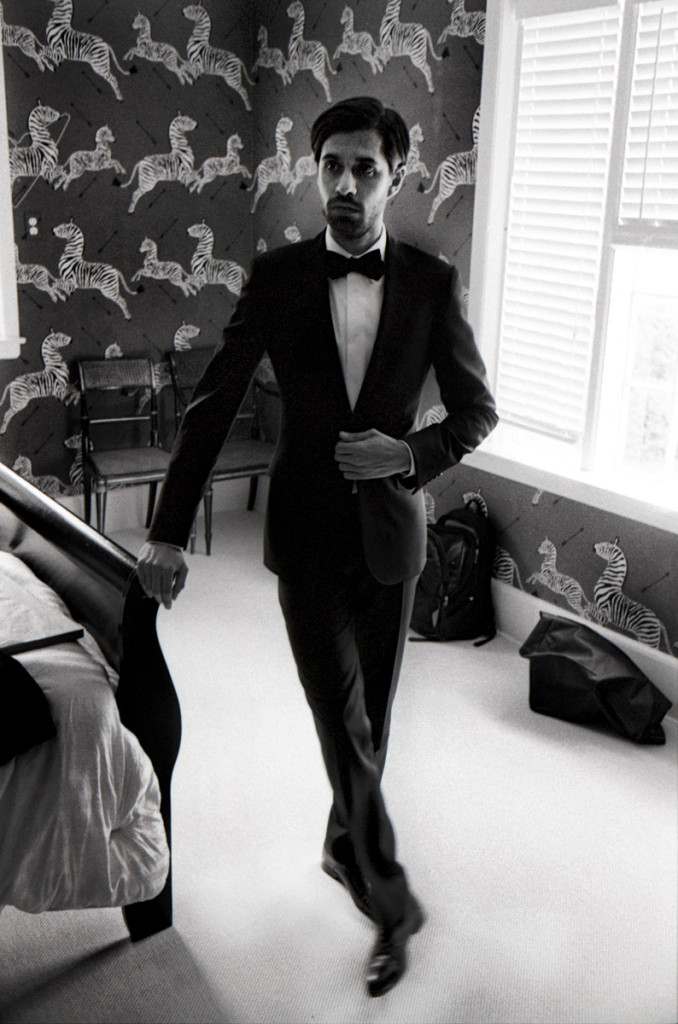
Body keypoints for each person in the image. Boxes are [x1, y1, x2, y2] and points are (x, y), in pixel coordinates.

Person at [137, 95, 498, 997]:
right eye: (330, 165)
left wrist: (406, 455)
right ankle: (390, 899)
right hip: (301, 537)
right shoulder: (278, 277)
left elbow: (476, 411)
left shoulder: (432, 283)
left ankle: (345, 847)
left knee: (372, 723)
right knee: (340, 721)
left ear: (395, 179)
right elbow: (213, 403)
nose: (343, 183)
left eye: (364, 169)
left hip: (391, 540)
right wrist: (167, 534)